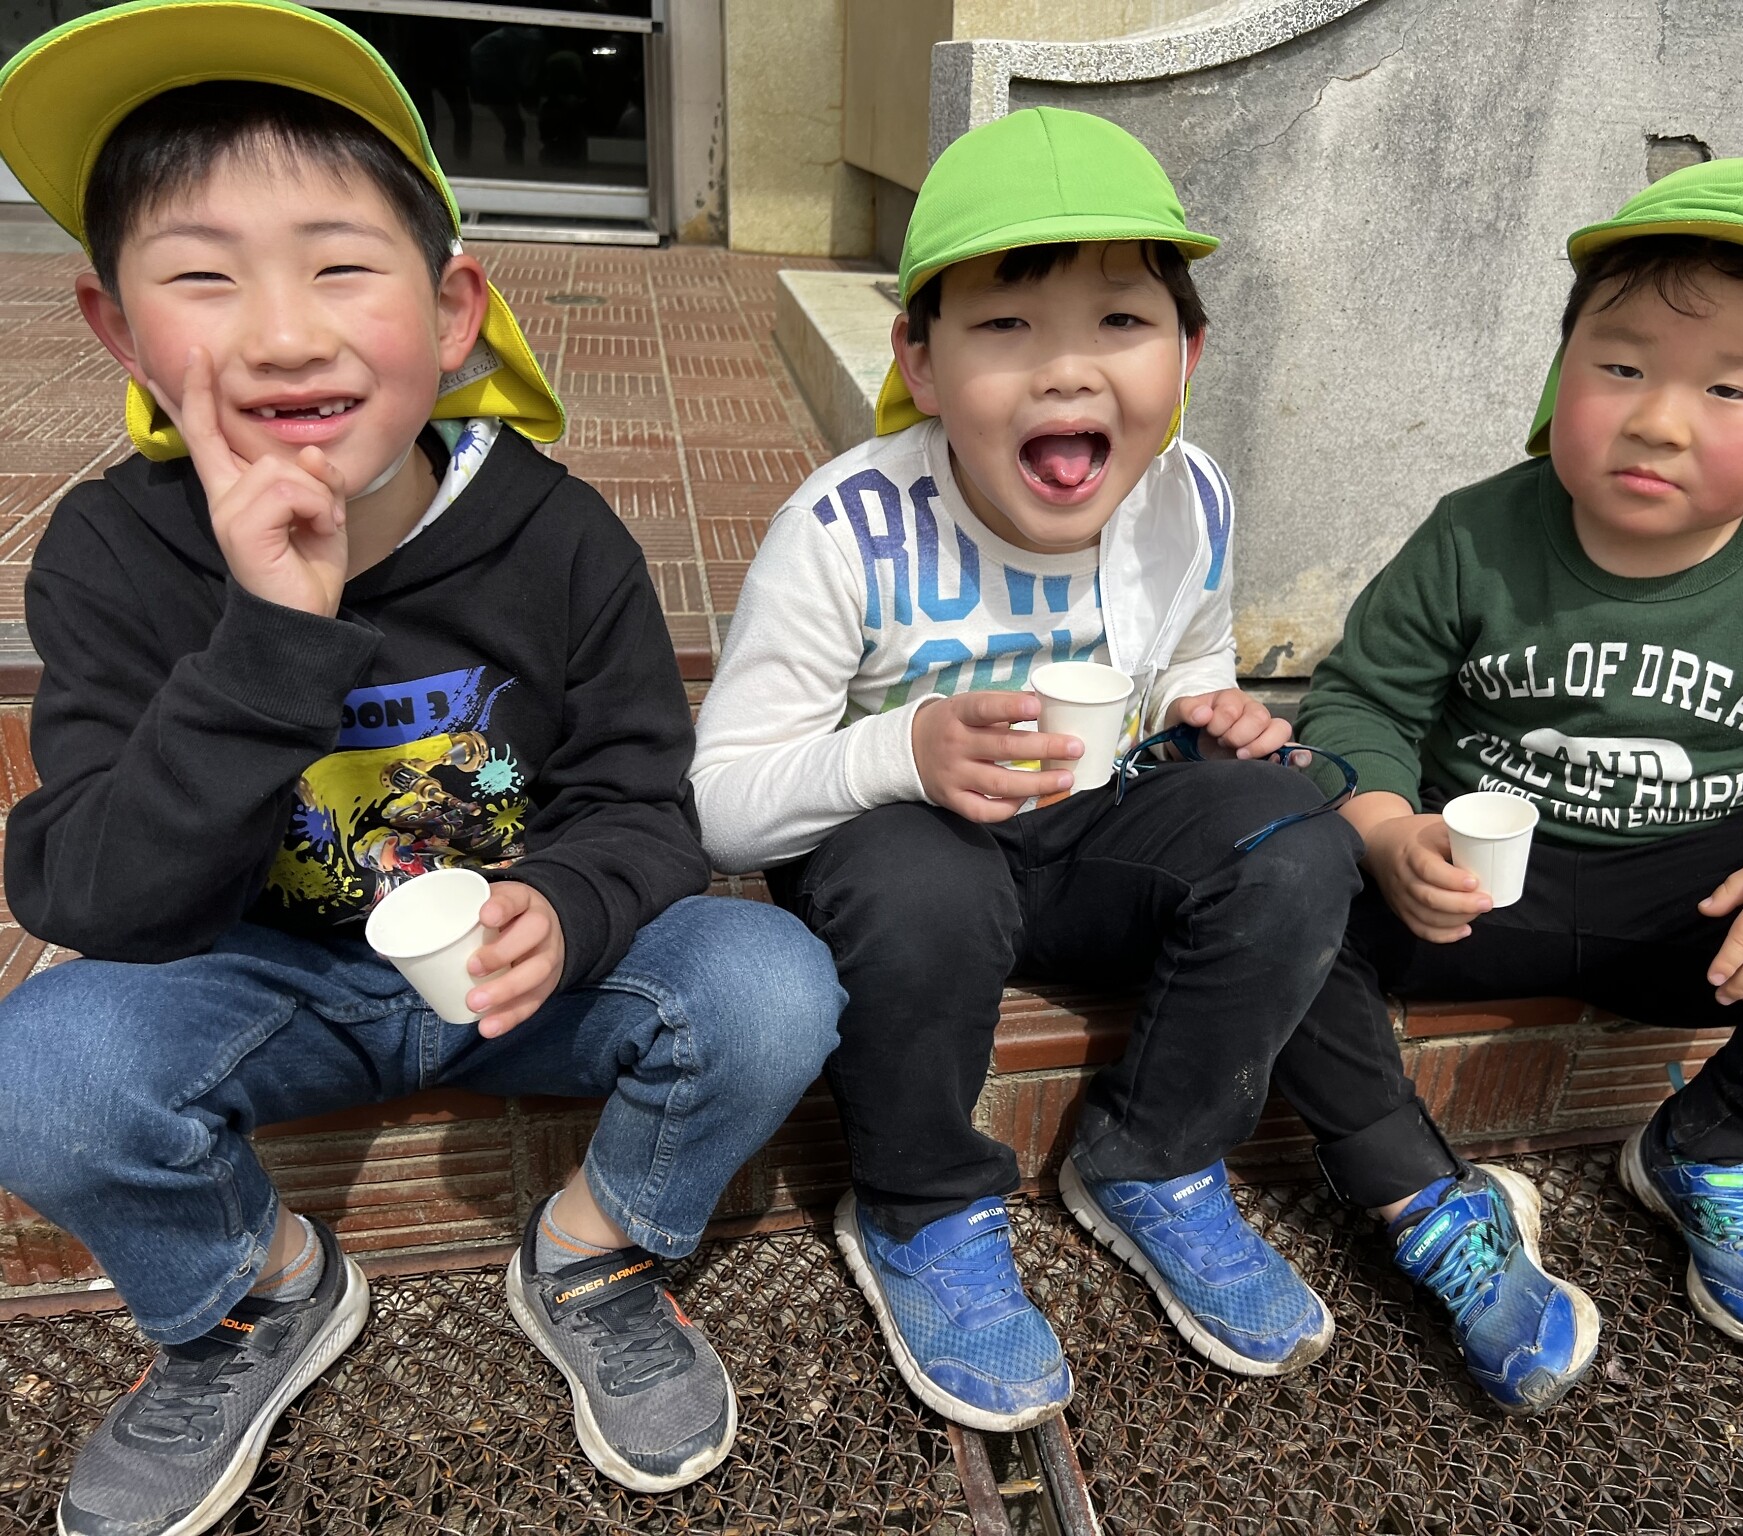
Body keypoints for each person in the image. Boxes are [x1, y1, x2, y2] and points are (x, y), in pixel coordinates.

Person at [0, 5, 842, 1528]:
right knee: (42, 1076)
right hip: (268, 985)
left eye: (339, 266)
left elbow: (644, 799)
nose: (281, 333)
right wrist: (271, 636)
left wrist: (571, 909)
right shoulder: (115, 554)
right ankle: (255, 1295)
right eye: (201, 276)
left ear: (452, 311)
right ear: (117, 332)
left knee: (771, 981)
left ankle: (594, 1252)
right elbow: (90, 892)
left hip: (525, 981)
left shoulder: (558, 536)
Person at [691, 107, 1374, 1432]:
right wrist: (902, 748)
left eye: (1120, 322)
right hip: (908, 869)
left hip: (1094, 835)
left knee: (1295, 832)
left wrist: (1206, 709)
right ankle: (918, 1205)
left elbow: (1186, 655)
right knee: (923, 882)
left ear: (1188, 354)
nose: (1068, 373)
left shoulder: (1189, 494)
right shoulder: (847, 527)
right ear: (920, 359)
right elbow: (721, 802)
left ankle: (1152, 1158)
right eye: (1005, 326)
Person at [1293, 155, 1743, 1409]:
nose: (1659, 419)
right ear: (1557, 371)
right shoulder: (1473, 533)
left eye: (1727, 387)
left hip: (1698, 907)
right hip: (1465, 891)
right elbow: (1360, 703)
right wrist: (1385, 827)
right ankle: (1421, 1195)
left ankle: (1710, 1147)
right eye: (1618, 367)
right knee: (1273, 900)